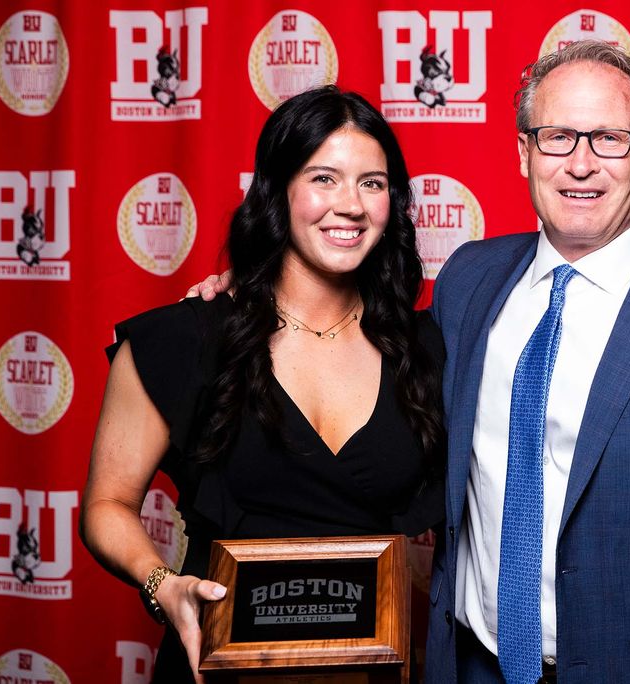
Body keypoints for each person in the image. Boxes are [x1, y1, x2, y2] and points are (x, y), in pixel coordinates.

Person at [193, 41, 630, 683]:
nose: (581, 165)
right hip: (472, 666)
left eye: (609, 138)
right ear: (523, 152)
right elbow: (353, 336)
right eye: (556, 137)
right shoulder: (470, 281)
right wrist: (248, 293)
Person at [80, 86, 445, 684]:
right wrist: (160, 585)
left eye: (372, 183)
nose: (350, 205)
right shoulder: (186, 338)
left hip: (372, 671)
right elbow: (106, 504)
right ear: (277, 191)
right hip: (215, 667)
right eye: (323, 178)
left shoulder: (427, 349)